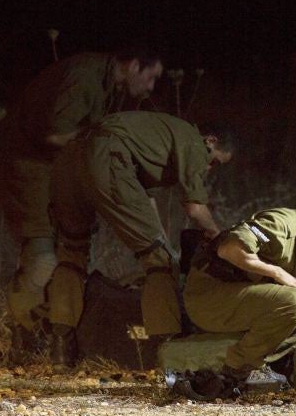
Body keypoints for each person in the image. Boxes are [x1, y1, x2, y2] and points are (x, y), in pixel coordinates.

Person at [0, 47, 163, 360]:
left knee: (68, 258)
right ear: (134, 65)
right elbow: (56, 134)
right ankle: (26, 339)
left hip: (59, 175)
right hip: (33, 171)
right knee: (42, 257)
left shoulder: (110, 87)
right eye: (151, 76)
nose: (152, 87)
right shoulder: (85, 77)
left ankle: (48, 338)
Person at [46, 111, 235, 368]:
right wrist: (221, 238)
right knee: (161, 260)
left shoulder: (154, 136)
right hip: (106, 157)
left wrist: (156, 237)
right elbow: (194, 207)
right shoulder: (192, 139)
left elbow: (142, 201)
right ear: (210, 141)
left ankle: (61, 351)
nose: (210, 168)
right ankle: (167, 352)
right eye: (215, 162)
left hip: (69, 161)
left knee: (71, 254)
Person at [183, 190, 296, 382]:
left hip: (245, 304)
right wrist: (277, 272)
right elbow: (228, 249)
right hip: (208, 298)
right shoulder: (282, 225)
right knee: (292, 300)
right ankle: (239, 368)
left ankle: (280, 364)